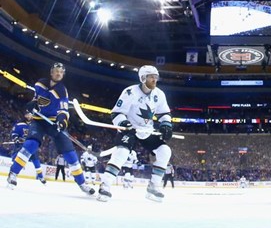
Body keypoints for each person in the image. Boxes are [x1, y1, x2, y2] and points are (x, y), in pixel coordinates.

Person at [6, 63, 95, 195]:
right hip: (39, 121)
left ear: (63, 75)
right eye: (56, 71)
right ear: (51, 72)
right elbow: (37, 99)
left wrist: (61, 122)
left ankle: (82, 183)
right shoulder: (40, 84)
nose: (58, 74)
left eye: (61, 72)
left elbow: (64, 110)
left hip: (54, 123)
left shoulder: (62, 90)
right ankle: (13, 173)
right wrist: (32, 104)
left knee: (70, 154)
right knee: (31, 144)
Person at [97, 65, 174, 202]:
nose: (154, 80)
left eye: (156, 77)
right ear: (143, 78)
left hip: (146, 130)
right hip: (130, 129)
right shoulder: (130, 92)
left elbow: (164, 114)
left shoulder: (159, 94)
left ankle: (153, 186)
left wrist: (166, 125)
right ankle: (105, 185)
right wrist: (124, 124)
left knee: (165, 151)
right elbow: (116, 113)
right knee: (121, 153)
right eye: (151, 77)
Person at [10, 112, 46, 184]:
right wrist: (16, 139)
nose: (31, 116)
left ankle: (40, 176)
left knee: (36, 162)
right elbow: (14, 134)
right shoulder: (20, 125)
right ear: (25, 115)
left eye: (31, 114)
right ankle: (12, 175)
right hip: (21, 146)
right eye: (29, 114)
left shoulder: (35, 126)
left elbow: (41, 137)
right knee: (16, 159)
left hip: (31, 146)